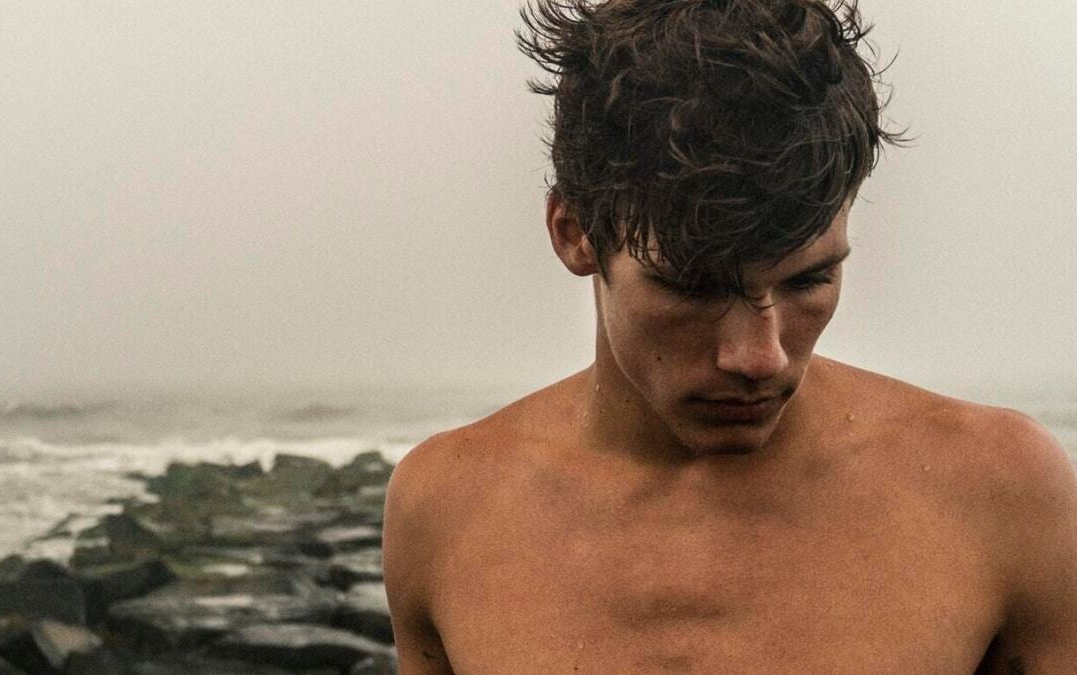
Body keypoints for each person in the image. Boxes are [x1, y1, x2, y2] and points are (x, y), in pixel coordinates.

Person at [382, 0, 1077, 671]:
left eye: (809, 281)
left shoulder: (1001, 494)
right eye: (694, 287)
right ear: (574, 233)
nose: (759, 356)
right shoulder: (446, 508)